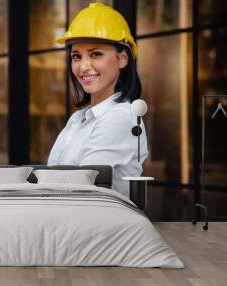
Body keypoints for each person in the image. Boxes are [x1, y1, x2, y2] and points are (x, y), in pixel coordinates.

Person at [47, 3, 148, 198]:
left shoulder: (122, 117)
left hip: (100, 224)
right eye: (76, 56)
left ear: (123, 59)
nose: (83, 66)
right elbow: (51, 179)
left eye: (95, 54)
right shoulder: (78, 119)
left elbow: (84, 187)